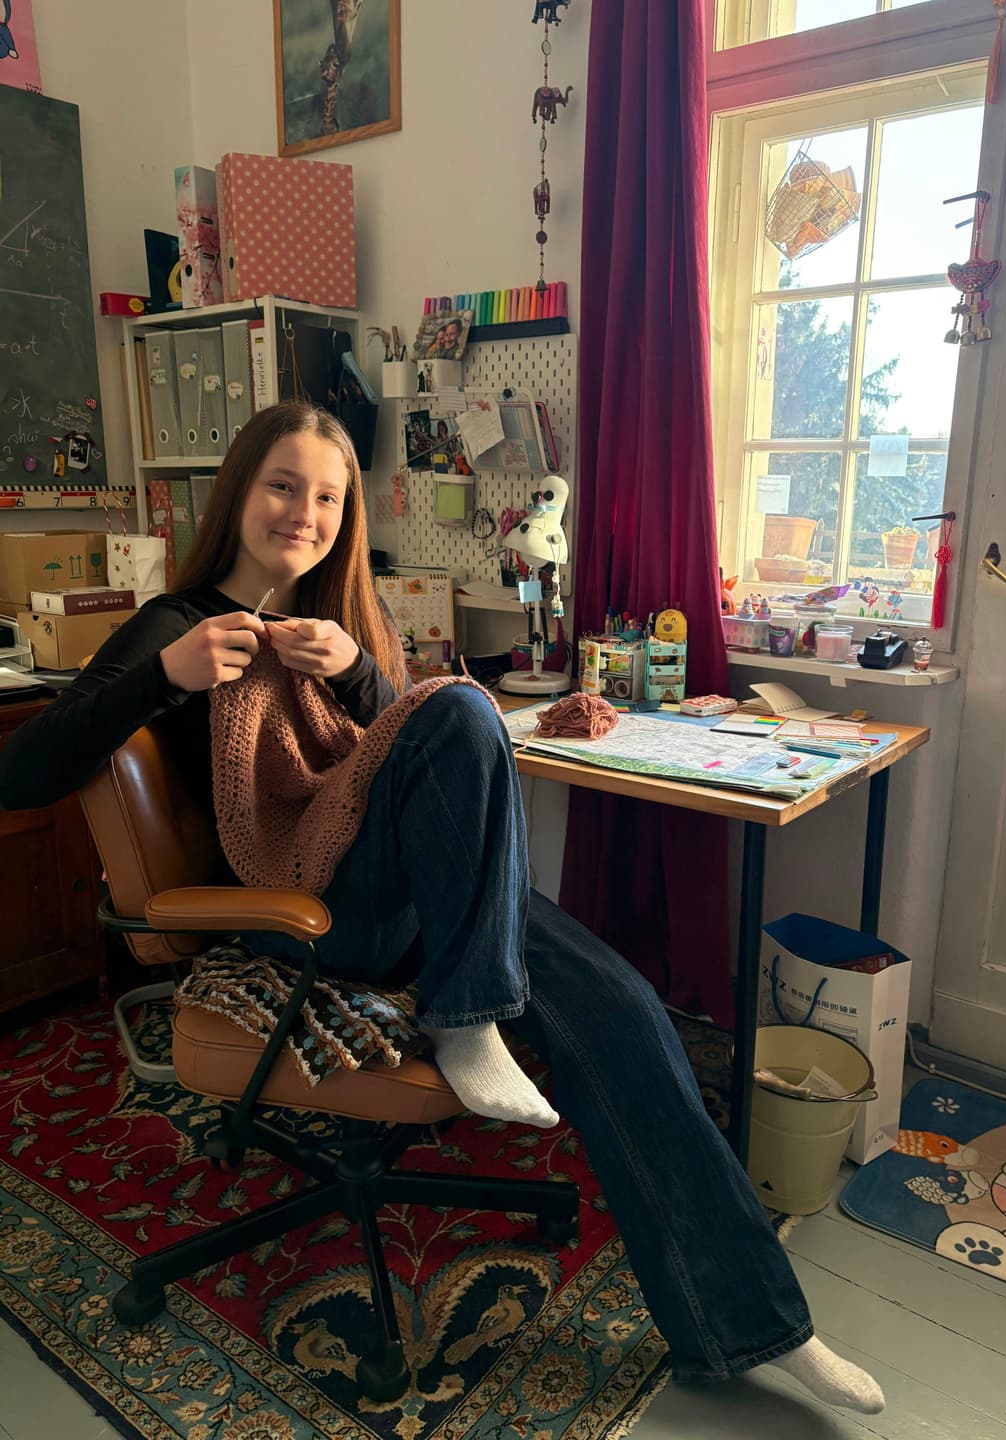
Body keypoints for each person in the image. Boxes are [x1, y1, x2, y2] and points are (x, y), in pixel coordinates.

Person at [0, 403, 883, 1416]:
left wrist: (358, 672)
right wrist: (166, 675)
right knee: (462, 704)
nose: (303, 513)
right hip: (305, 912)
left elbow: (415, 766)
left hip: (411, 896)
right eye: (282, 485)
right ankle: (468, 1020)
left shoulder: (337, 621)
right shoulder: (177, 626)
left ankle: (758, 1327)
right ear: (239, 490)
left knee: (624, 1008)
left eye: (328, 497)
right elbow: (24, 774)